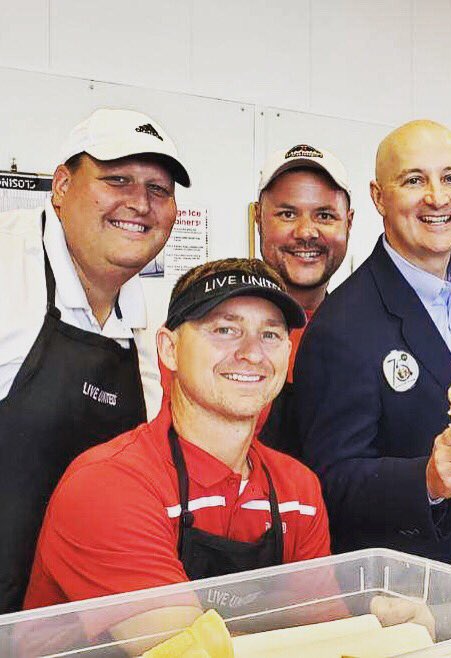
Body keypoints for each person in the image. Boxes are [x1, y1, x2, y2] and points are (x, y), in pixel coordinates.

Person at [24, 258, 330, 644]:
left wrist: (389, 623)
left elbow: (328, 637)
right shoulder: (107, 486)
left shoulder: (298, 493)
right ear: (169, 349)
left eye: (270, 335)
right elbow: (188, 652)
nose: (252, 353)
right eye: (224, 330)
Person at [293, 120, 451, 579]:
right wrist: (426, 481)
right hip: (415, 601)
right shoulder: (343, 326)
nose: (437, 197)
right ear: (378, 197)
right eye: (414, 180)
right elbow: (328, 481)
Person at [0, 108, 190, 612]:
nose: (139, 203)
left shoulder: (144, 322)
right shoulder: (7, 265)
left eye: (159, 189)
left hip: (69, 626)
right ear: (61, 185)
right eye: (117, 179)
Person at [253, 144, 354, 457]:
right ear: (258, 218)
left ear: (349, 222)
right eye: (287, 214)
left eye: (324, 215)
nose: (306, 232)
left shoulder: (366, 333)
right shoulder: (212, 329)